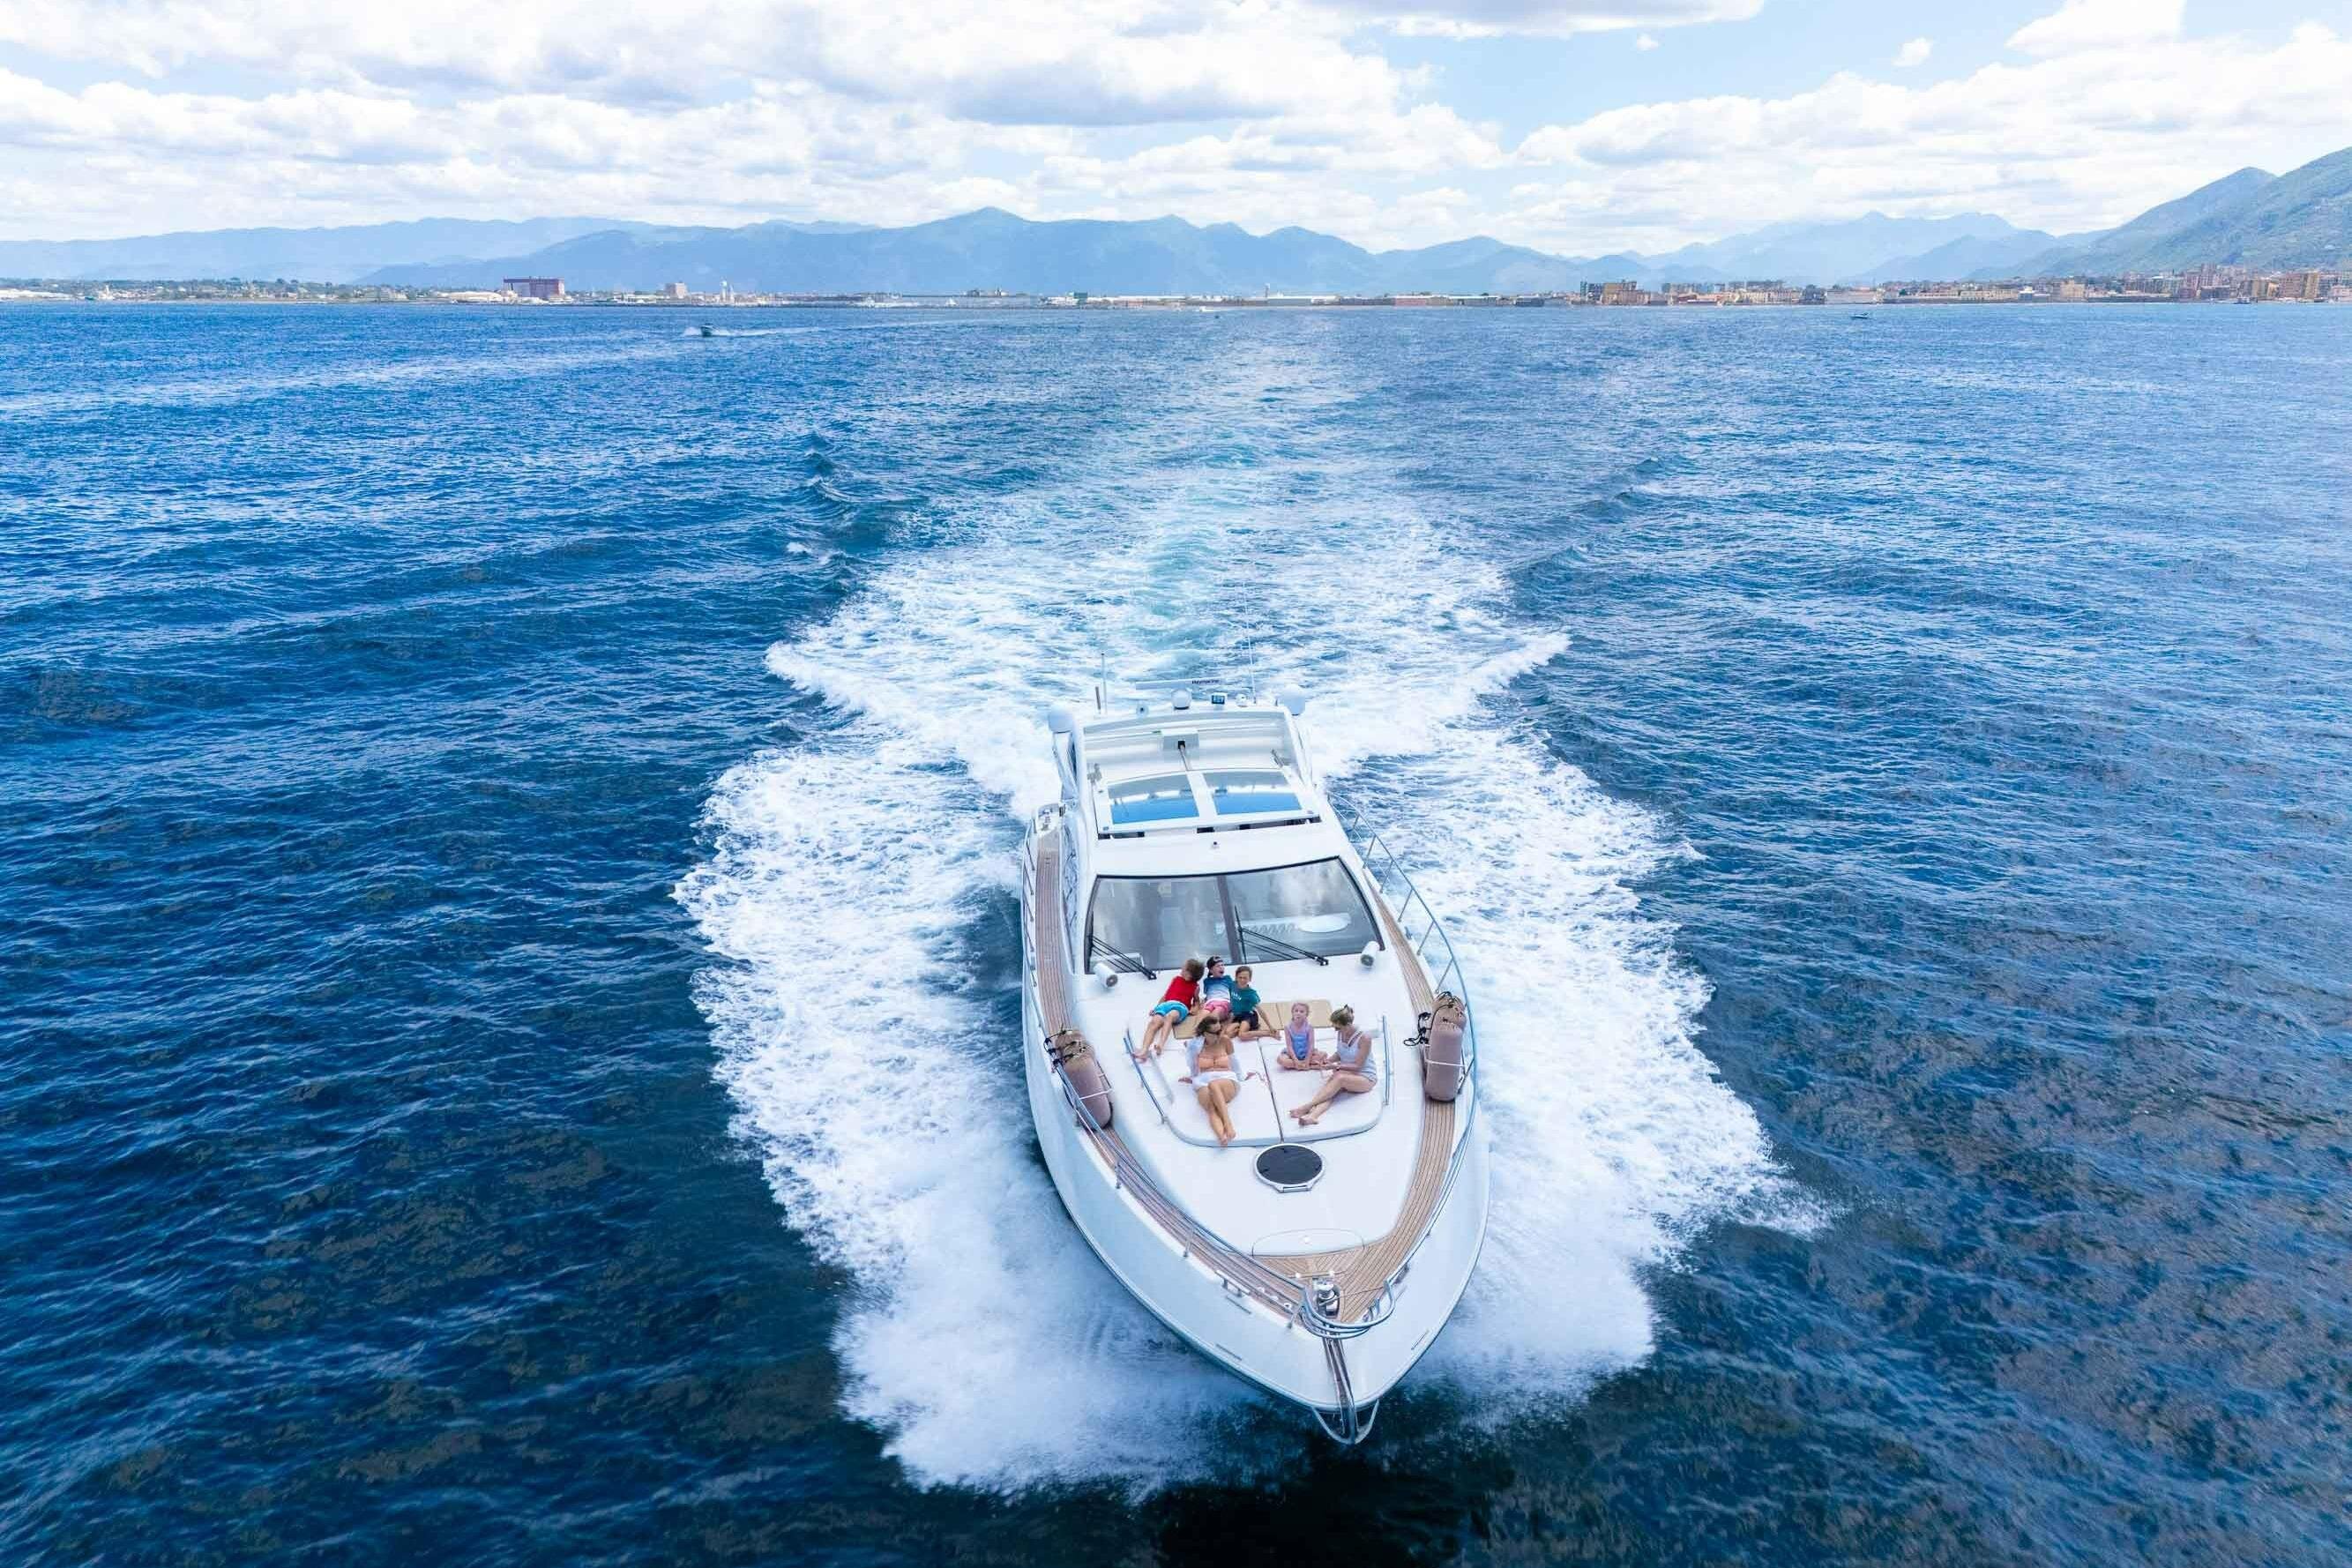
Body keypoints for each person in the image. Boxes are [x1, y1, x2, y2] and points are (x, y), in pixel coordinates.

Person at [1178, 1015, 1256, 1148]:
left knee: (1213, 1085)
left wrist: (1242, 1076)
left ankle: (1228, 1124)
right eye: (1215, 1032)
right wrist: (1192, 1078)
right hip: (1203, 1080)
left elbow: (1234, 1061)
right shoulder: (1196, 1045)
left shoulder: (1225, 1041)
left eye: (1220, 1030)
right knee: (1211, 1108)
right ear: (1205, 1033)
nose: (1220, 1034)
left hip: (1226, 1078)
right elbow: (1192, 1065)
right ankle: (1221, 1136)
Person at [1291, 1004, 1376, 1127]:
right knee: (1330, 1089)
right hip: (1347, 1073)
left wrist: (1335, 1067)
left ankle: (1307, 1106)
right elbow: (1340, 1053)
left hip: (1366, 1077)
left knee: (1339, 1078)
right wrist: (1328, 1061)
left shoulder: (1365, 1038)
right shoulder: (1341, 1033)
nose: (1336, 1030)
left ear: (1348, 1025)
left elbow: (1358, 1066)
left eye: (1338, 1027)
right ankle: (1312, 1116)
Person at [1137, 957, 1205, 1057]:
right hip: (1166, 1005)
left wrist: (1195, 1009)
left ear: (1189, 974)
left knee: (1170, 1016)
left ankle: (1161, 1044)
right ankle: (1144, 1050)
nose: (1181, 968)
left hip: (1180, 1006)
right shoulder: (1175, 979)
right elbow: (1166, 995)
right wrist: (1156, 1008)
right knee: (1154, 1022)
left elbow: (1196, 1000)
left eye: (1184, 968)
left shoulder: (1195, 987)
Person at [1271, 1001, 1323, 1070]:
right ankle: (1308, 1066)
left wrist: (1307, 1060)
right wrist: (1295, 1061)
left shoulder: (1309, 1027)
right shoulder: (1288, 1027)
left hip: (1307, 1053)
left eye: (1302, 1012)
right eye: (1296, 1011)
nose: (1298, 1013)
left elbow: (1311, 1045)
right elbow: (1289, 1046)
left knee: (1323, 1055)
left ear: (1306, 1014)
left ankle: (1302, 1065)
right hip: (1292, 1054)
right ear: (1292, 1013)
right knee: (1280, 1060)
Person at [1227, 964, 1266, 1037]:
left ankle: (1269, 1033)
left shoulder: (1251, 994)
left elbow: (1261, 1011)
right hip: (1238, 1016)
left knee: (1242, 1035)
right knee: (1228, 1033)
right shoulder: (1232, 985)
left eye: (1245, 978)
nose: (1242, 980)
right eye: (1240, 977)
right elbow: (1232, 999)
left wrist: (1270, 1026)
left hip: (1248, 1015)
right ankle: (1246, 1028)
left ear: (1249, 979)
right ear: (1236, 977)